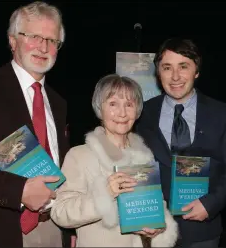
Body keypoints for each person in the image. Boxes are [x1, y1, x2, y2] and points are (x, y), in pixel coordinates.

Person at [136, 38, 226, 248]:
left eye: (183, 66)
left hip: (203, 232)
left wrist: (210, 204)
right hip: (154, 229)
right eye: (167, 68)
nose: (175, 76)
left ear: (196, 71)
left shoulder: (224, 114)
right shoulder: (141, 114)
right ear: (158, 73)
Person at [51, 74, 178, 247]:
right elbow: (60, 212)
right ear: (99, 108)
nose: (122, 113)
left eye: (129, 104)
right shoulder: (79, 156)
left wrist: (158, 228)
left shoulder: (145, 156)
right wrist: (105, 194)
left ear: (137, 109)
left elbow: (156, 207)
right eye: (113, 104)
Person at [0, 1, 74, 247]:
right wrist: (19, 191)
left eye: (52, 40)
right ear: (13, 40)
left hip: (54, 228)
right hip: (0, 229)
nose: (43, 47)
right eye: (34, 36)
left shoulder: (59, 104)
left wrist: (72, 226)